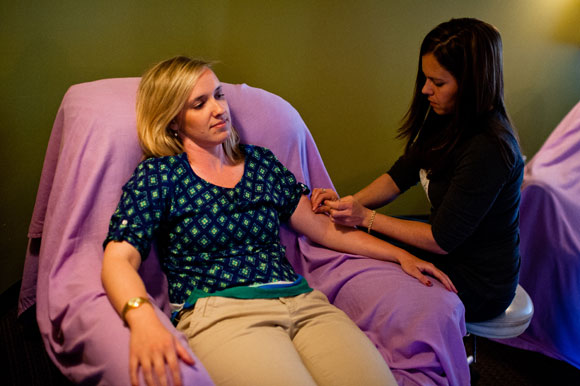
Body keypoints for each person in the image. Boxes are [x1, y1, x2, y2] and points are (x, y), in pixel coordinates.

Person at [101, 56, 456, 386]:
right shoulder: (160, 175)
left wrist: (399, 255)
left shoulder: (260, 164)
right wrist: (142, 317)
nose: (219, 109)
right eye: (199, 104)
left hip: (303, 302)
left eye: (219, 95)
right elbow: (118, 259)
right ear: (173, 120)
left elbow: (324, 229)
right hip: (221, 311)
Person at [312, 17, 524, 323]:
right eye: (426, 78)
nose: (426, 89)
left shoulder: (489, 148)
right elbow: (401, 175)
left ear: (472, 83)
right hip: (448, 246)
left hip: (481, 281)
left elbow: (441, 239)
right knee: (349, 236)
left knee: (366, 263)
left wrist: (365, 217)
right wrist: (350, 204)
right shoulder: (446, 117)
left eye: (438, 83)